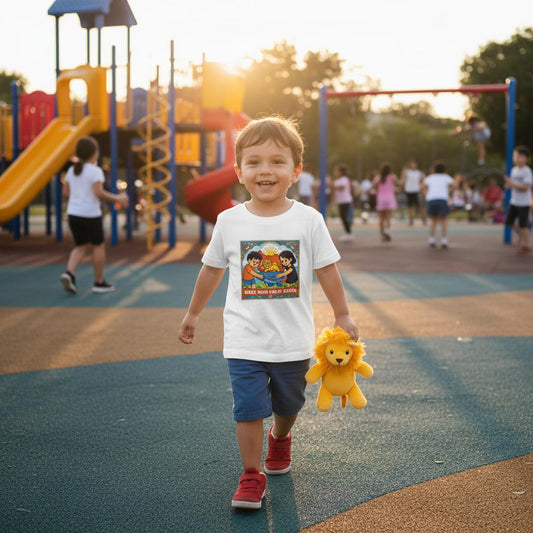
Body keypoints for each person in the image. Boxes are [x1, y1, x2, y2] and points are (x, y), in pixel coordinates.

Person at [178, 117, 359, 511]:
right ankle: (250, 474)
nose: (265, 170)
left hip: (292, 340)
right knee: (247, 409)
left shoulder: (308, 219)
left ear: (295, 171)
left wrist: (342, 314)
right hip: (244, 340)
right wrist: (193, 313)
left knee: (289, 404)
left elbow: (327, 268)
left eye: (277, 162)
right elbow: (211, 269)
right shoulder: (229, 221)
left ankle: (281, 437)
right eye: (255, 162)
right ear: (239, 172)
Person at [60, 136, 129, 294]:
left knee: (80, 246)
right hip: (90, 214)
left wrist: (79, 196)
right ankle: (99, 282)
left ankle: (69, 272)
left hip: (73, 214)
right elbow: (98, 192)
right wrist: (118, 198)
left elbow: (65, 192)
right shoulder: (95, 171)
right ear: (94, 154)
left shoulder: (72, 170)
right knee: (98, 246)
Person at [504, 145, 532, 254]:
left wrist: (513, 184)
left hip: (524, 203)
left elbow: (526, 187)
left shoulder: (527, 171)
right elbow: (513, 184)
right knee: (509, 221)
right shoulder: (514, 170)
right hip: (514, 201)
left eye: (521, 156)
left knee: (523, 224)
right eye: (516, 156)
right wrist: (508, 185)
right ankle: (521, 234)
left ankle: (527, 245)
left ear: (526, 158)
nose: (518, 159)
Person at [423, 161, 455, 248]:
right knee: (443, 220)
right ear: (444, 170)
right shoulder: (446, 177)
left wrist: (426, 195)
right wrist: (449, 191)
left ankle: (432, 239)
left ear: (434, 169)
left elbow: (423, 187)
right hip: (442, 199)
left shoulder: (430, 177)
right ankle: (444, 240)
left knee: (433, 220)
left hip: (431, 199)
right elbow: (454, 185)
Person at [372, 163, 399, 242]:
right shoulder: (392, 177)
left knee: (381, 218)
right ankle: (387, 231)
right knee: (388, 217)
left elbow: (373, 186)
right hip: (390, 198)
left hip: (381, 199)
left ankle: (382, 234)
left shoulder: (378, 177)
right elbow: (399, 184)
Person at [400, 158, 425, 225]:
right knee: (410, 206)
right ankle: (411, 220)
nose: (413, 165)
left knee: (419, 206)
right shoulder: (407, 172)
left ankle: (423, 219)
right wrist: (404, 170)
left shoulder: (419, 172)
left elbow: (423, 180)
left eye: (414, 164)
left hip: (416, 191)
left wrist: (422, 188)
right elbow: (403, 179)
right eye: (412, 164)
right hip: (409, 191)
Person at [333, 163, 354, 241]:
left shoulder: (344, 179)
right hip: (341, 201)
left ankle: (349, 233)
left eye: (336, 171)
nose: (335, 173)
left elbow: (341, 187)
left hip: (346, 200)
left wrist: (333, 186)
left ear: (341, 172)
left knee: (344, 217)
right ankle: (348, 233)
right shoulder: (338, 180)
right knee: (343, 217)